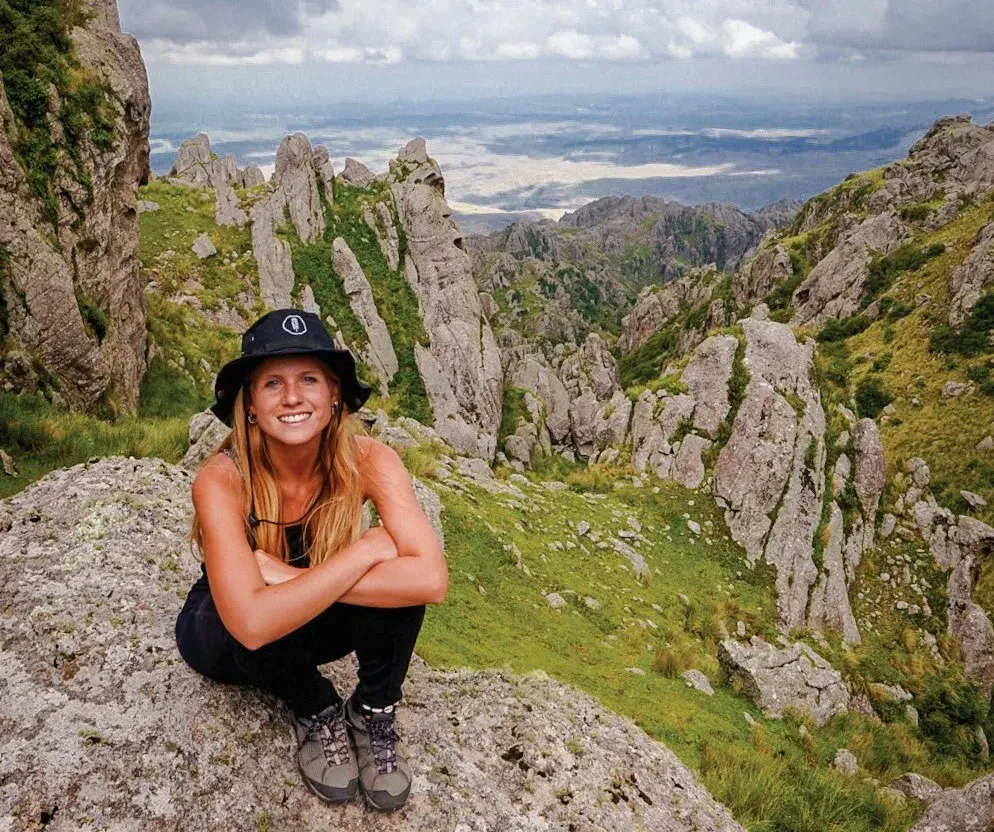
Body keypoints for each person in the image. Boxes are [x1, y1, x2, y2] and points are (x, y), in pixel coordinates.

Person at [175, 308, 448, 812]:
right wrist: (367, 550)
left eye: (310, 379)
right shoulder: (222, 479)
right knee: (250, 622)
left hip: (294, 603)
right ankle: (314, 705)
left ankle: (371, 710)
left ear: (335, 395)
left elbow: (430, 579)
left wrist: (290, 576)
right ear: (251, 405)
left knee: (401, 591)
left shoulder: (372, 461)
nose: (293, 397)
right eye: (272, 383)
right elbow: (253, 623)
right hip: (224, 629)